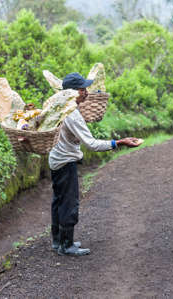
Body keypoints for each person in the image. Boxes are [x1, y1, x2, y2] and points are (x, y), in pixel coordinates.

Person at [49, 72, 140, 256]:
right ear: (73, 92)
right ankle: (67, 245)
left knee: (58, 201)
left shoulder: (58, 107)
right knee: (69, 203)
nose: (87, 92)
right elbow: (91, 144)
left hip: (55, 160)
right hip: (66, 162)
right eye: (83, 89)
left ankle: (58, 241)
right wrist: (118, 143)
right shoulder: (72, 114)